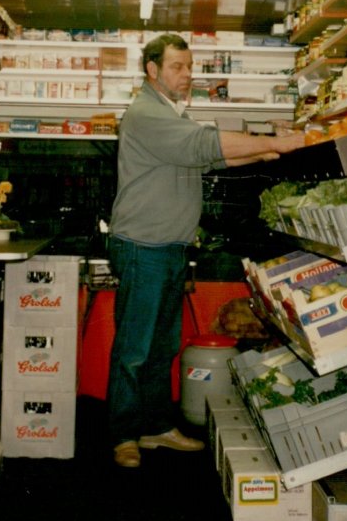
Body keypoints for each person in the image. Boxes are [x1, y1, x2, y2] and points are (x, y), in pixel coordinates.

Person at [107, 33, 308, 468]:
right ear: (152, 70)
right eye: (177, 67)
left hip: (169, 248)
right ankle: (123, 434)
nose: (187, 75)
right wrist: (275, 142)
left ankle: (156, 427)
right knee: (135, 349)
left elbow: (209, 158)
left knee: (162, 347)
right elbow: (204, 145)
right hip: (143, 248)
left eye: (190, 66)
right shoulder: (146, 114)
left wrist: (264, 150)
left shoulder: (171, 114)